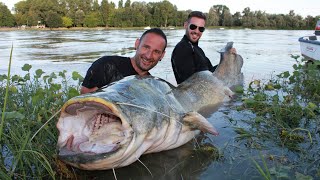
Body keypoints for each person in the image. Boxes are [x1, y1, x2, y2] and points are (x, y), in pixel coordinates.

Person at [80, 28, 167, 94]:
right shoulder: (106, 65)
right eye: (146, 47)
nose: (148, 56)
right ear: (137, 44)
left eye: (156, 52)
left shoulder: (153, 87)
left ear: (162, 55)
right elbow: (83, 99)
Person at [171, 11, 236, 84]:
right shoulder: (182, 48)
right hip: (195, 95)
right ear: (186, 25)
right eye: (193, 27)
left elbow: (211, 71)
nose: (196, 31)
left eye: (201, 29)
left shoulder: (198, 50)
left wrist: (227, 59)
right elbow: (190, 83)